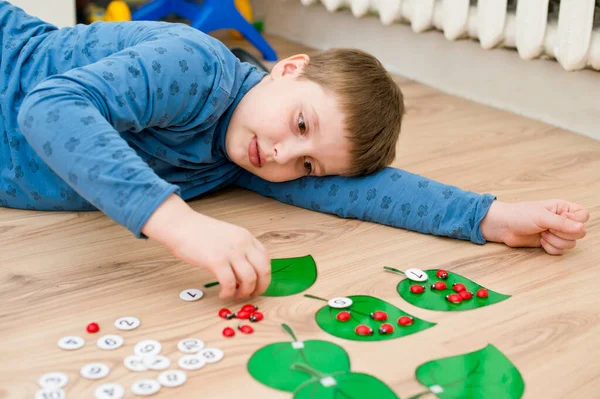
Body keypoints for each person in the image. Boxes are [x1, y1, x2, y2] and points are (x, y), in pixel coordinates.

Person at [0, 2, 589, 300]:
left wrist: (488, 217)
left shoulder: (253, 152)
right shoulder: (195, 66)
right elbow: (49, 109)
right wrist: (181, 226)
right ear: (288, 68)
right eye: (301, 123)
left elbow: (364, 188)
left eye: (306, 163)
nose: (283, 154)